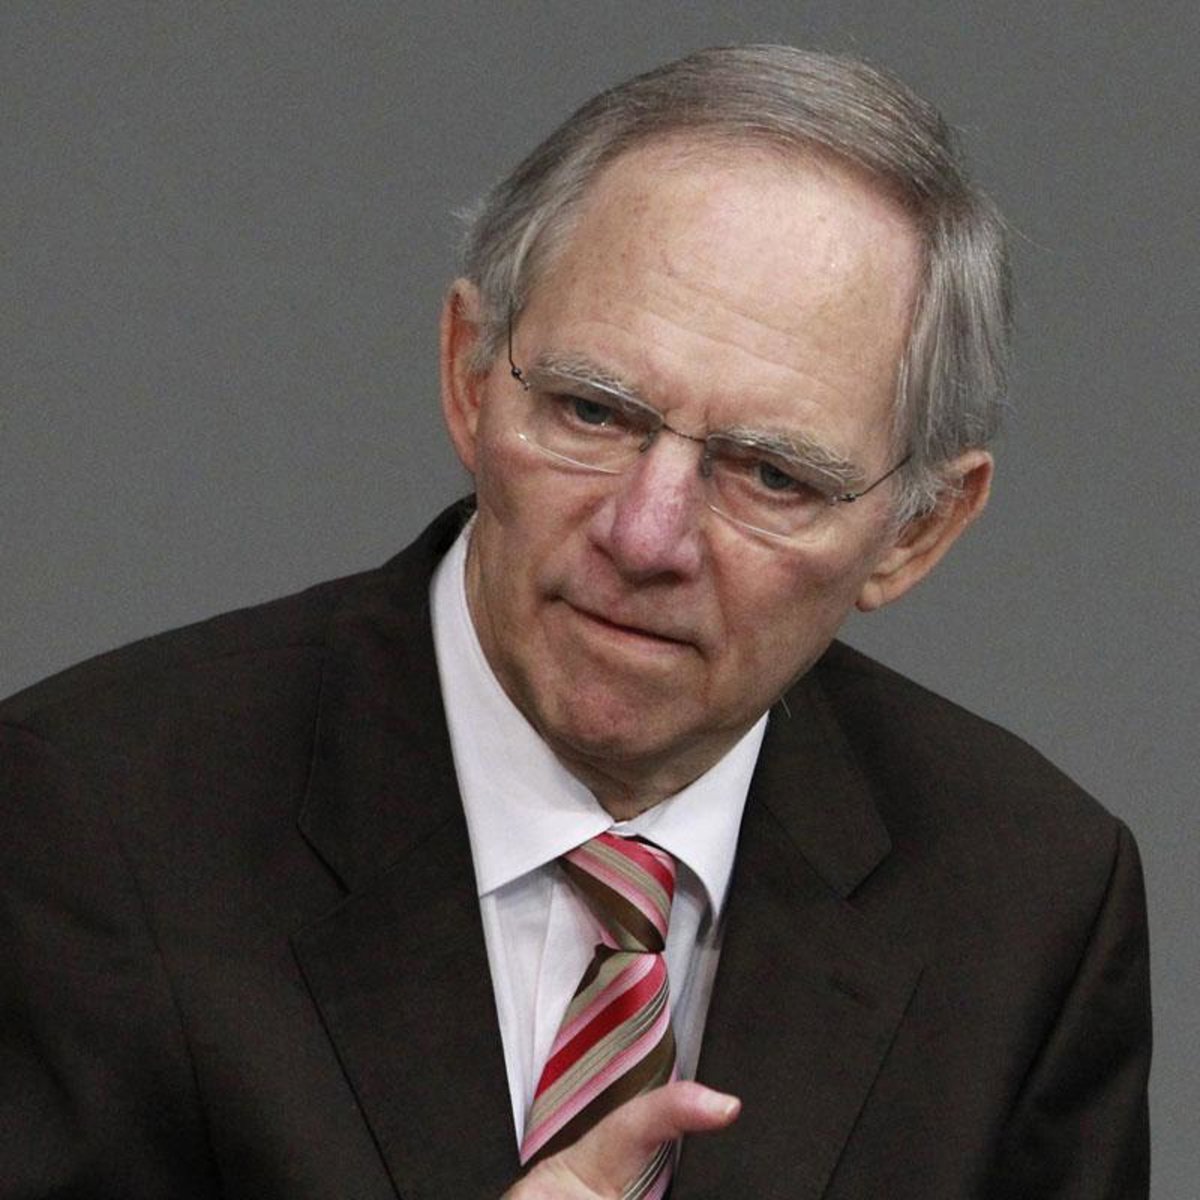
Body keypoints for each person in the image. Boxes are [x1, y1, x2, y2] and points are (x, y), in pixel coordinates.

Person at [0, 45, 1150, 1200]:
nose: (646, 537)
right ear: (471, 376)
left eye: (771, 476)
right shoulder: (87, 823)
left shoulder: (1026, 902)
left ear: (917, 532)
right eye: (594, 412)